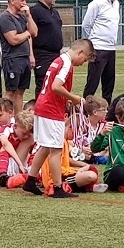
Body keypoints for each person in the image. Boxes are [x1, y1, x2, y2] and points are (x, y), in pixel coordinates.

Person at [21, 39, 95, 198]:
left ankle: (31, 180)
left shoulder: (58, 60)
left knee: (45, 146)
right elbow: (56, 86)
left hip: (43, 106)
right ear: (80, 52)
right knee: (56, 149)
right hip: (51, 110)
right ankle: (57, 187)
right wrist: (74, 98)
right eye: (85, 59)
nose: (83, 63)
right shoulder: (66, 63)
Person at [81, 0, 121, 100]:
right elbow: (86, 25)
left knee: (109, 82)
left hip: (111, 48)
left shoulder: (116, 4)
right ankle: (86, 106)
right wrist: (92, 44)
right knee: (93, 81)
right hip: (98, 48)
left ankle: (107, 107)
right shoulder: (96, 3)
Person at [0, 0, 37, 113]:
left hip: (25, 58)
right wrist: (27, 33)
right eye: (22, 1)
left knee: (20, 91)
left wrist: (29, 16)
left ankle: (17, 118)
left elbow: (34, 32)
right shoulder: (5, 18)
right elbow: (13, 40)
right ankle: (3, 115)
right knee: (11, 91)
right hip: (12, 59)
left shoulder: (22, 16)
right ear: (12, 1)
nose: (24, 3)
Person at [30, 0, 64, 96]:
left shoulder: (54, 12)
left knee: (55, 84)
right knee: (43, 84)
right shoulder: (35, 11)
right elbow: (30, 34)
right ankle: (39, 106)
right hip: (42, 55)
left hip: (56, 54)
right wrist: (31, 55)